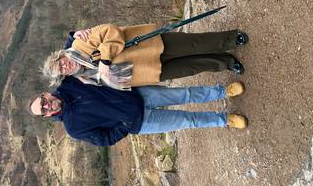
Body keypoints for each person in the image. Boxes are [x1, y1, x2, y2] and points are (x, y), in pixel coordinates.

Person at [28, 76, 248, 146]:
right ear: (47, 115)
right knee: (187, 120)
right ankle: (224, 119)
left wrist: (74, 37)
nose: (47, 105)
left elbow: (79, 58)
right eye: (43, 110)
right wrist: (124, 125)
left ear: (45, 94)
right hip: (142, 122)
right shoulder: (73, 128)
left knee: (185, 94)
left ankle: (222, 92)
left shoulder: (68, 83)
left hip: (138, 95)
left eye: (43, 100)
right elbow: (104, 139)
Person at [42, 23, 249, 90]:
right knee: (192, 67)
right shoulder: (84, 79)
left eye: (60, 63)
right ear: (63, 76)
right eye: (61, 70)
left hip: (149, 47)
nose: (65, 66)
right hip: (147, 73)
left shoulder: (80, 43)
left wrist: (105, 61)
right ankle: (227, 62)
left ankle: (231, 39)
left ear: (61, 56)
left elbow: (110, 31)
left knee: (194, 43)